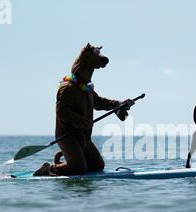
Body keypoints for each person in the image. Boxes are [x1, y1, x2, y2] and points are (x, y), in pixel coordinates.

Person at [33, 43, 134, 176]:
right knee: (78, 168)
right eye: (96, 55)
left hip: (84, 137)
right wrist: (81, 121)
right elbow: (61, 112)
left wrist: (119, 104)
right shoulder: (67, 87)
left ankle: (68, 161)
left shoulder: (86, 88)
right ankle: (49, 168)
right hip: (68, 136)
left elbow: (98, 103)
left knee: (98, 166)